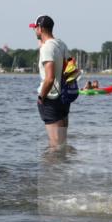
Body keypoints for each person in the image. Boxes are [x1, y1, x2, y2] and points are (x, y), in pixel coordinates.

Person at [31, 15, 70, 147]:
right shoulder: (61, 44)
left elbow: (49, 78)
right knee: (62, 142)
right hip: (64, 98)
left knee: (55, 144)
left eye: (35, 28)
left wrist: (41, 97)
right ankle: (63, 167)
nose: (34, 31)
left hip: (51, 97)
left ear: (40, 28)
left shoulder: (47, 48)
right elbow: (71, 69)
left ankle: (52, 168)